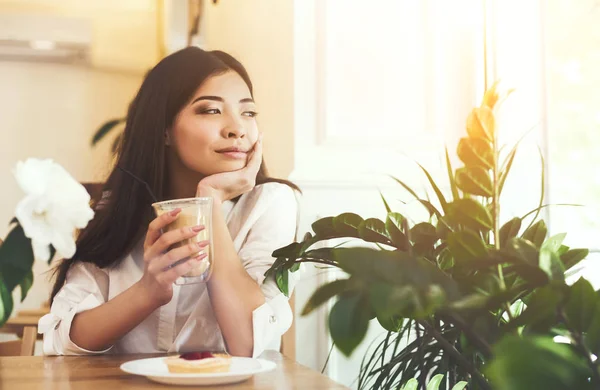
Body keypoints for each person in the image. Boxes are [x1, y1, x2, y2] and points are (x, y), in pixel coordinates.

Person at [38, 47, 300, 358]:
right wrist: (147, 292)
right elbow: (62, 339)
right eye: (211, 111)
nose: (237, 129)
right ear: (164, 129)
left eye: (248, 112)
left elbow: (248, 344)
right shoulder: (118, 214)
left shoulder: (270, 204)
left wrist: (210, 201)